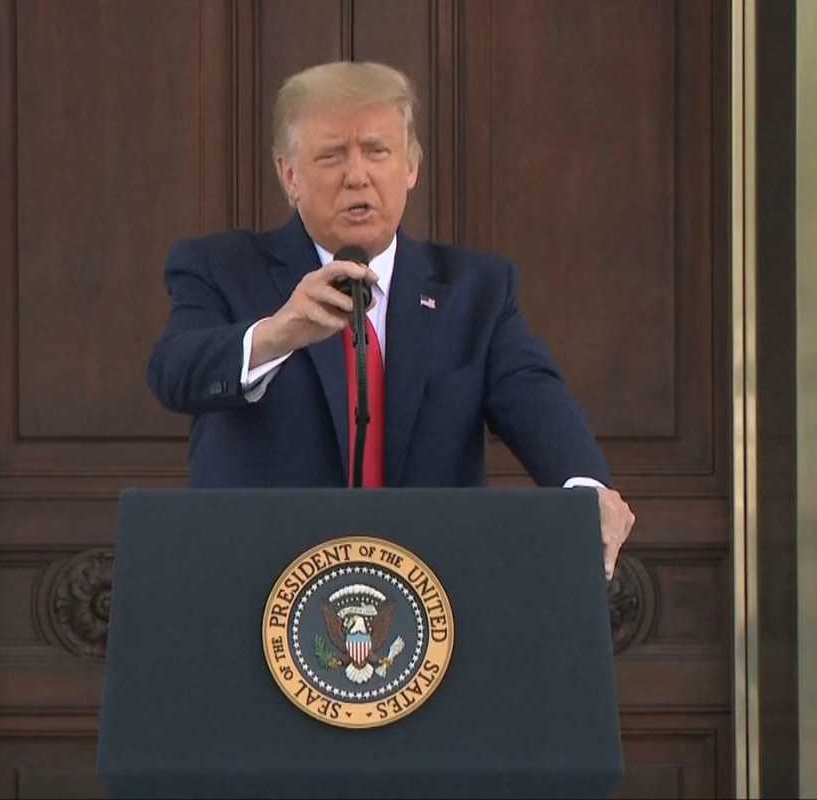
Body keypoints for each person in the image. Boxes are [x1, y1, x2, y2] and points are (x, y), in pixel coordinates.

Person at [148, 61, 634, 578]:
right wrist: (278, 333)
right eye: (331, 156)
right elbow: (174, 372)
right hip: (264, 581)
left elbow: (536, 398)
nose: (357, 176)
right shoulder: (220, 268)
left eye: (376, 152)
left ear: (411, 168)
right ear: (289, 175)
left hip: (429, 588)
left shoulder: (476, 291)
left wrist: (588, 491)